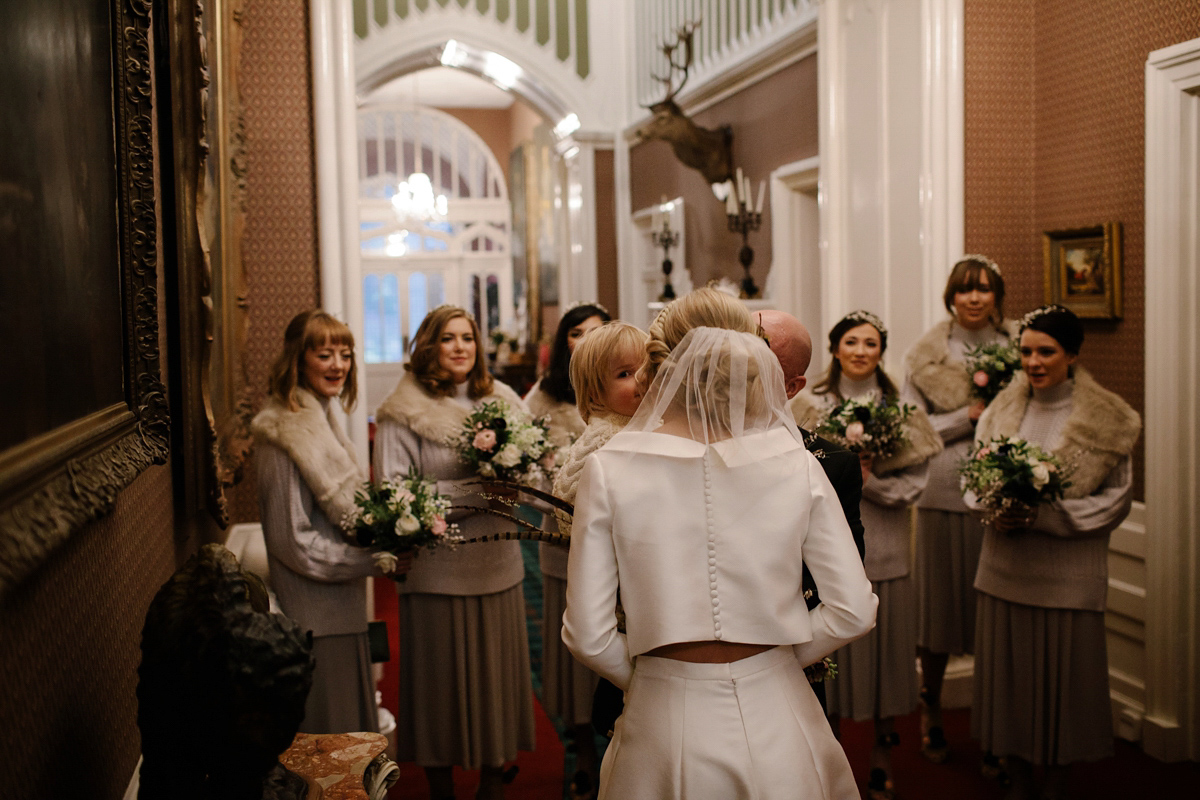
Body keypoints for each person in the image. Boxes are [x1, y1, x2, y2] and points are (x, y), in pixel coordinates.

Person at [563, 323, 878, 799]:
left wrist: (653, 677)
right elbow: (854, 609)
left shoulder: (609, 467)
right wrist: (777, 662)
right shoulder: (796, 463)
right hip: (778, 705)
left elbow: (586, 634)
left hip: (662, 715)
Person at [970, 305, 1139, 800]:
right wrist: (994, 508)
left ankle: (1057, 787)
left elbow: (1118, 498)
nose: (1034, 361)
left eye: (1046, 351)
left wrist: (1048, 517)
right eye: (1026, 351)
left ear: (1072, 354)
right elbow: (973, 479)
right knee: (1013, 690)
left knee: (1064, 693)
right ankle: (1019, 782)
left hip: (1069, 579)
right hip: (1004, 570)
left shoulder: (1106, 419)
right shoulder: (1002, 408)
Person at [372, 305, 535, 800]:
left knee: (493, 688)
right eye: (448, 338)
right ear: (428, 346)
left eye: (467, 337)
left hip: (498, 568)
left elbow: (528, 480)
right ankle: (441, 787)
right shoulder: (403, 409)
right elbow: (396, 497)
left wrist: (515, 487)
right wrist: (479, 495)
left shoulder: (502, 398)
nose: (461, 347)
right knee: (439, 691)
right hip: (436, 573)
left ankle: (492, 784)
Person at [789, 310, 942, 800]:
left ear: (881, 351)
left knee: (885, 662)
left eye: (870, 343)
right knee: (828, 659)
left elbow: (917, 484)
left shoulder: (902, 411)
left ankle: (881, 753)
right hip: (821, 549)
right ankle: (828, 758)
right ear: (834, 349)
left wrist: (870, 484)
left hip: (887, 544)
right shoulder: (805, 407)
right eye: (850, 341)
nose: (860, 351)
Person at [251, 309, 408, 734]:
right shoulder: (283, 434)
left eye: (345, 354)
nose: (338, 365)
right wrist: (376, 561)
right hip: (315, 620)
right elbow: (294, 544)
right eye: (324, 354)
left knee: (352, 741)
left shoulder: (322, 417)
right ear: (298, 360)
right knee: (333, 743)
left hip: (341, 611)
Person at [903, 255, 1017, 763]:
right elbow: (911, 427)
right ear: (951, 295)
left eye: (984, 289)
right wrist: (963, 417)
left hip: (1001, 496)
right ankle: (931, 710)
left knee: (991, 617)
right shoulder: (925, 355)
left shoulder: (1019, 348)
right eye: (965, 289)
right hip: (942, 493)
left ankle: (993, 727)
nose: (974, 298)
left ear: (997, 296)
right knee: (938, 613)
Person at [758, 309, 866, 713]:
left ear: (792, 386)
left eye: (758, 359)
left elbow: (843, 585)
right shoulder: (683, 448)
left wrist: (775, 661)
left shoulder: (831, 462)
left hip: (786, 662)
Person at [523, 302, 611, 798]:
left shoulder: (630, 387)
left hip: (619, 547)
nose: (587, 340)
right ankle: (579, 746)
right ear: (564, 344)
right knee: (572, 645)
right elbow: (528, 475)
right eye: (577, 333)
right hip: (563, 544)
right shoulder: (541, 400)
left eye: (598, 331)